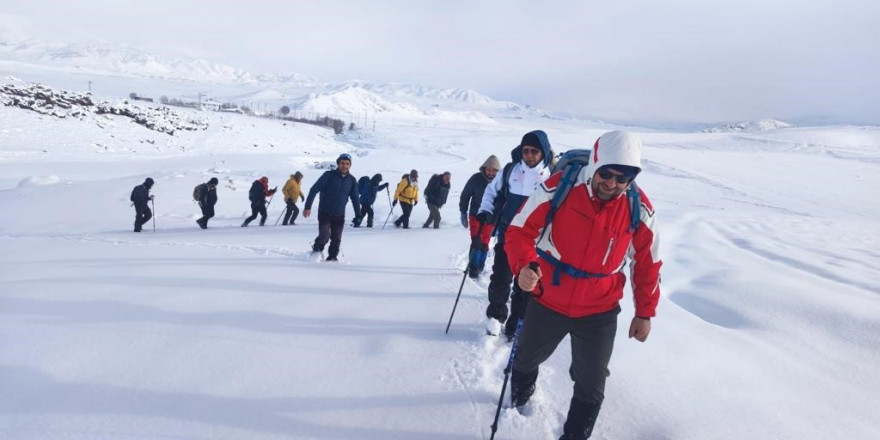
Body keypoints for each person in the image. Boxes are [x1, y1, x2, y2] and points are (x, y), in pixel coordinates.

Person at [504, 131, 662, 440]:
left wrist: (645, 312)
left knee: (592, 382)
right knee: (526, 358)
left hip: (599, 309)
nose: (612, 183)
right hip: (548, 296)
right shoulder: (559, 188)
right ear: (595, 165)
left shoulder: (638, 208)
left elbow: (648, 263)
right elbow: (519, 230)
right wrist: (524, 265)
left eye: (624, 176)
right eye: (607, 173)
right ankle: (521, 395)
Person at [477, 130, 553, 338]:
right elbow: (491, 192)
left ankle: (517, 322)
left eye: (534, 151)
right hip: (507, 235)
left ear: (543, 152)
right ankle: (496, 315)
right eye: (525, 150)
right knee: (500, 277)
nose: (528, 155)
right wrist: (485, 211)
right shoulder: (510, 171)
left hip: (534, 242)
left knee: (526, 284)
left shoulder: (552, 177)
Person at [303, 153, 361, 261]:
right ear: (338, 164)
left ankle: (332, 258)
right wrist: (307, 207)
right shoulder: (328, 175)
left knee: (336, 239)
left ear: (350, 165)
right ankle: (316, 251)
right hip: (325, 212)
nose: (344, 166)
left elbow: (355, 199)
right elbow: (314, 190)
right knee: (324, 236)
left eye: (347, 164)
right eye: (342, 163)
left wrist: (358, 215)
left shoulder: (352, 180)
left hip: (339, 214)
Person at [459, 155, 501, 278]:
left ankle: (480, 265)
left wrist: (499, 220)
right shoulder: (476, 179)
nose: (490, 173)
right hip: (476, 215)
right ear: (484, 169)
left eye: (494, 170)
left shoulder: (500, 181)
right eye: (488, 169)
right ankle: (473, 267)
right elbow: (465, 195)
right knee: (476, 240)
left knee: (485, 242)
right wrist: (463, 212)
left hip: (491, 218)